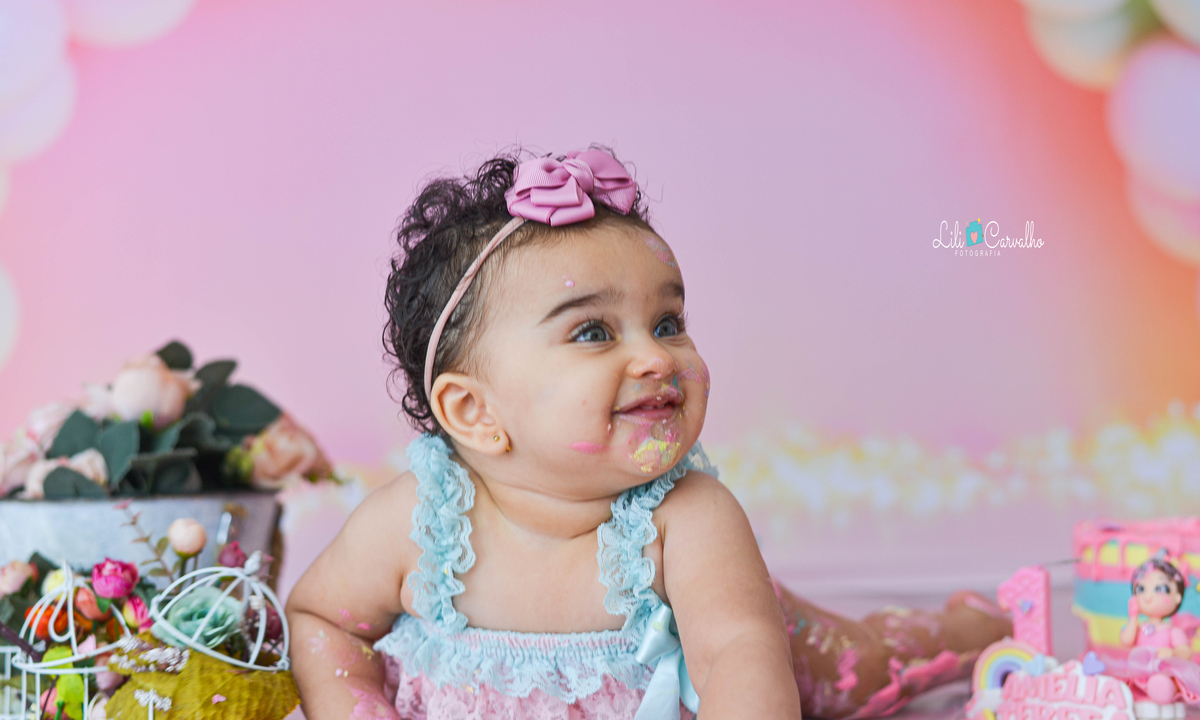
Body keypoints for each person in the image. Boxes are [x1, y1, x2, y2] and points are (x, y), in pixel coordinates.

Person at [285, 148, 1011, 720]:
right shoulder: (418, 523)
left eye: (668, 323)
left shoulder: (685, 518)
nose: (657, 357)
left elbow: (736, 653)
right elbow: (322, 619)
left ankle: (969, 629)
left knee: (864, 667)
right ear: (475, 412)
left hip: (760, 632)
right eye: (593, 332)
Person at [1103, 556, 1200, 715]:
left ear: (1177, 597)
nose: (1147, 597)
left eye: (1161, 589)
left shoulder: (1173, 631)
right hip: (1138, 673)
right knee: (1121, 684)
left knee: (1163, 683)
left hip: (1164, 671)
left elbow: (1185, 653)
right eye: (1141, 589)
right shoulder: (1138, 627)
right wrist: (1133, 616)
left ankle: (1161, 692)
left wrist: (1173, 653)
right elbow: (1126, 641)